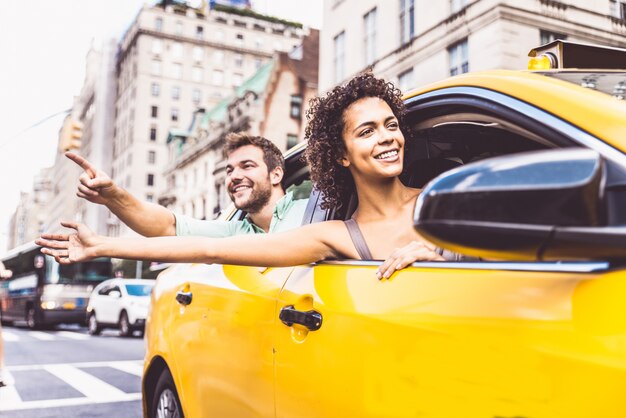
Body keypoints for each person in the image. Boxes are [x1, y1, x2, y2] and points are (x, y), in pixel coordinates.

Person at [37, 73, 444, 280]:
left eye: (391, 125)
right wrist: (103, 244)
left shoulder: (444, 200)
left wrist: (439, 256)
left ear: (278, 173)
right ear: (339, 155)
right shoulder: (331, 232)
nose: (389, 138)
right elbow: (200, 246)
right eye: (367, 130)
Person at [67, 132, 308, 237]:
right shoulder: (232, 231)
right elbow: (166, 226)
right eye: (229, 169)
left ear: (276, 175)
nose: (233, 176)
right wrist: (112, 197)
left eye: (247, 166)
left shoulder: (312, 213)